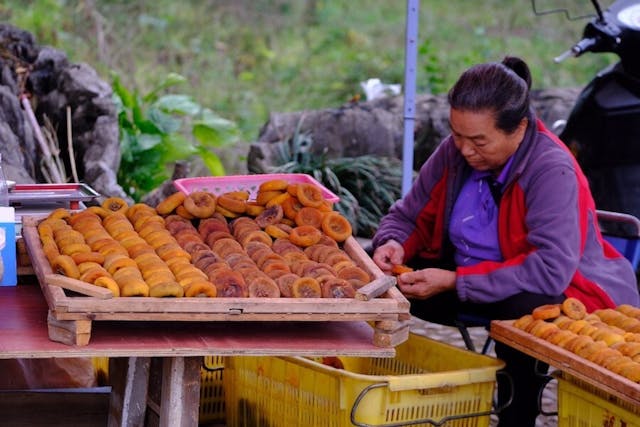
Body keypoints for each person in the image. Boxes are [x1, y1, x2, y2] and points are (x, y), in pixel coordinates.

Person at [371, 56, 640, 427]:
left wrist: (455, 282)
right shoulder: (455, 151)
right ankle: (386, 392)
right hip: (471, 279)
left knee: (524, 305)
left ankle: (518, 414)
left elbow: (548, 272)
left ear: (520, 128)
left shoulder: (550, 170)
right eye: (458, 135)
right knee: (379, 276)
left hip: (561, 290)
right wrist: (393, 242)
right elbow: (409, 213)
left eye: (479, 140)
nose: (464, 150)